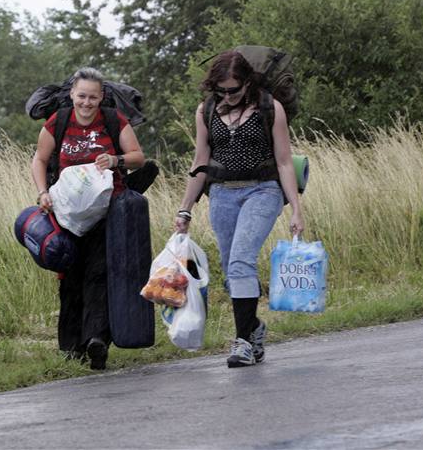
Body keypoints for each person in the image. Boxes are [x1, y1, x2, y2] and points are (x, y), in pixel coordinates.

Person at [174, 50, 305, 368]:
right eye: (221, 90)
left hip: (263, 191)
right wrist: (185, 208)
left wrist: (296, 210)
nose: (228, 95)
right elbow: (200, 161)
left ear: (248, 82)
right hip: (221, 194)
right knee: (232, 272)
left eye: (234, 89)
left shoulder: (269, 108)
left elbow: (285, 162)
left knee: (241, 262)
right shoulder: (206, 111)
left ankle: (243, 343)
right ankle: (255, 329)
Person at [30, 67, 146, 370]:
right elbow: (40, 159)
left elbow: (138, 156)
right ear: (72, 94)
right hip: (67, 214)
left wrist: (115, 159)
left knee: (99, 274)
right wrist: (43, 193)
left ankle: (96, 340)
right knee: (70, 277)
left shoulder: (112, 120)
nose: (87, 102)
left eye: (93, 97)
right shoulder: (60, 121)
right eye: (82, 96)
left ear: (102, 96)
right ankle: (71, 349)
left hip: (107, 212)